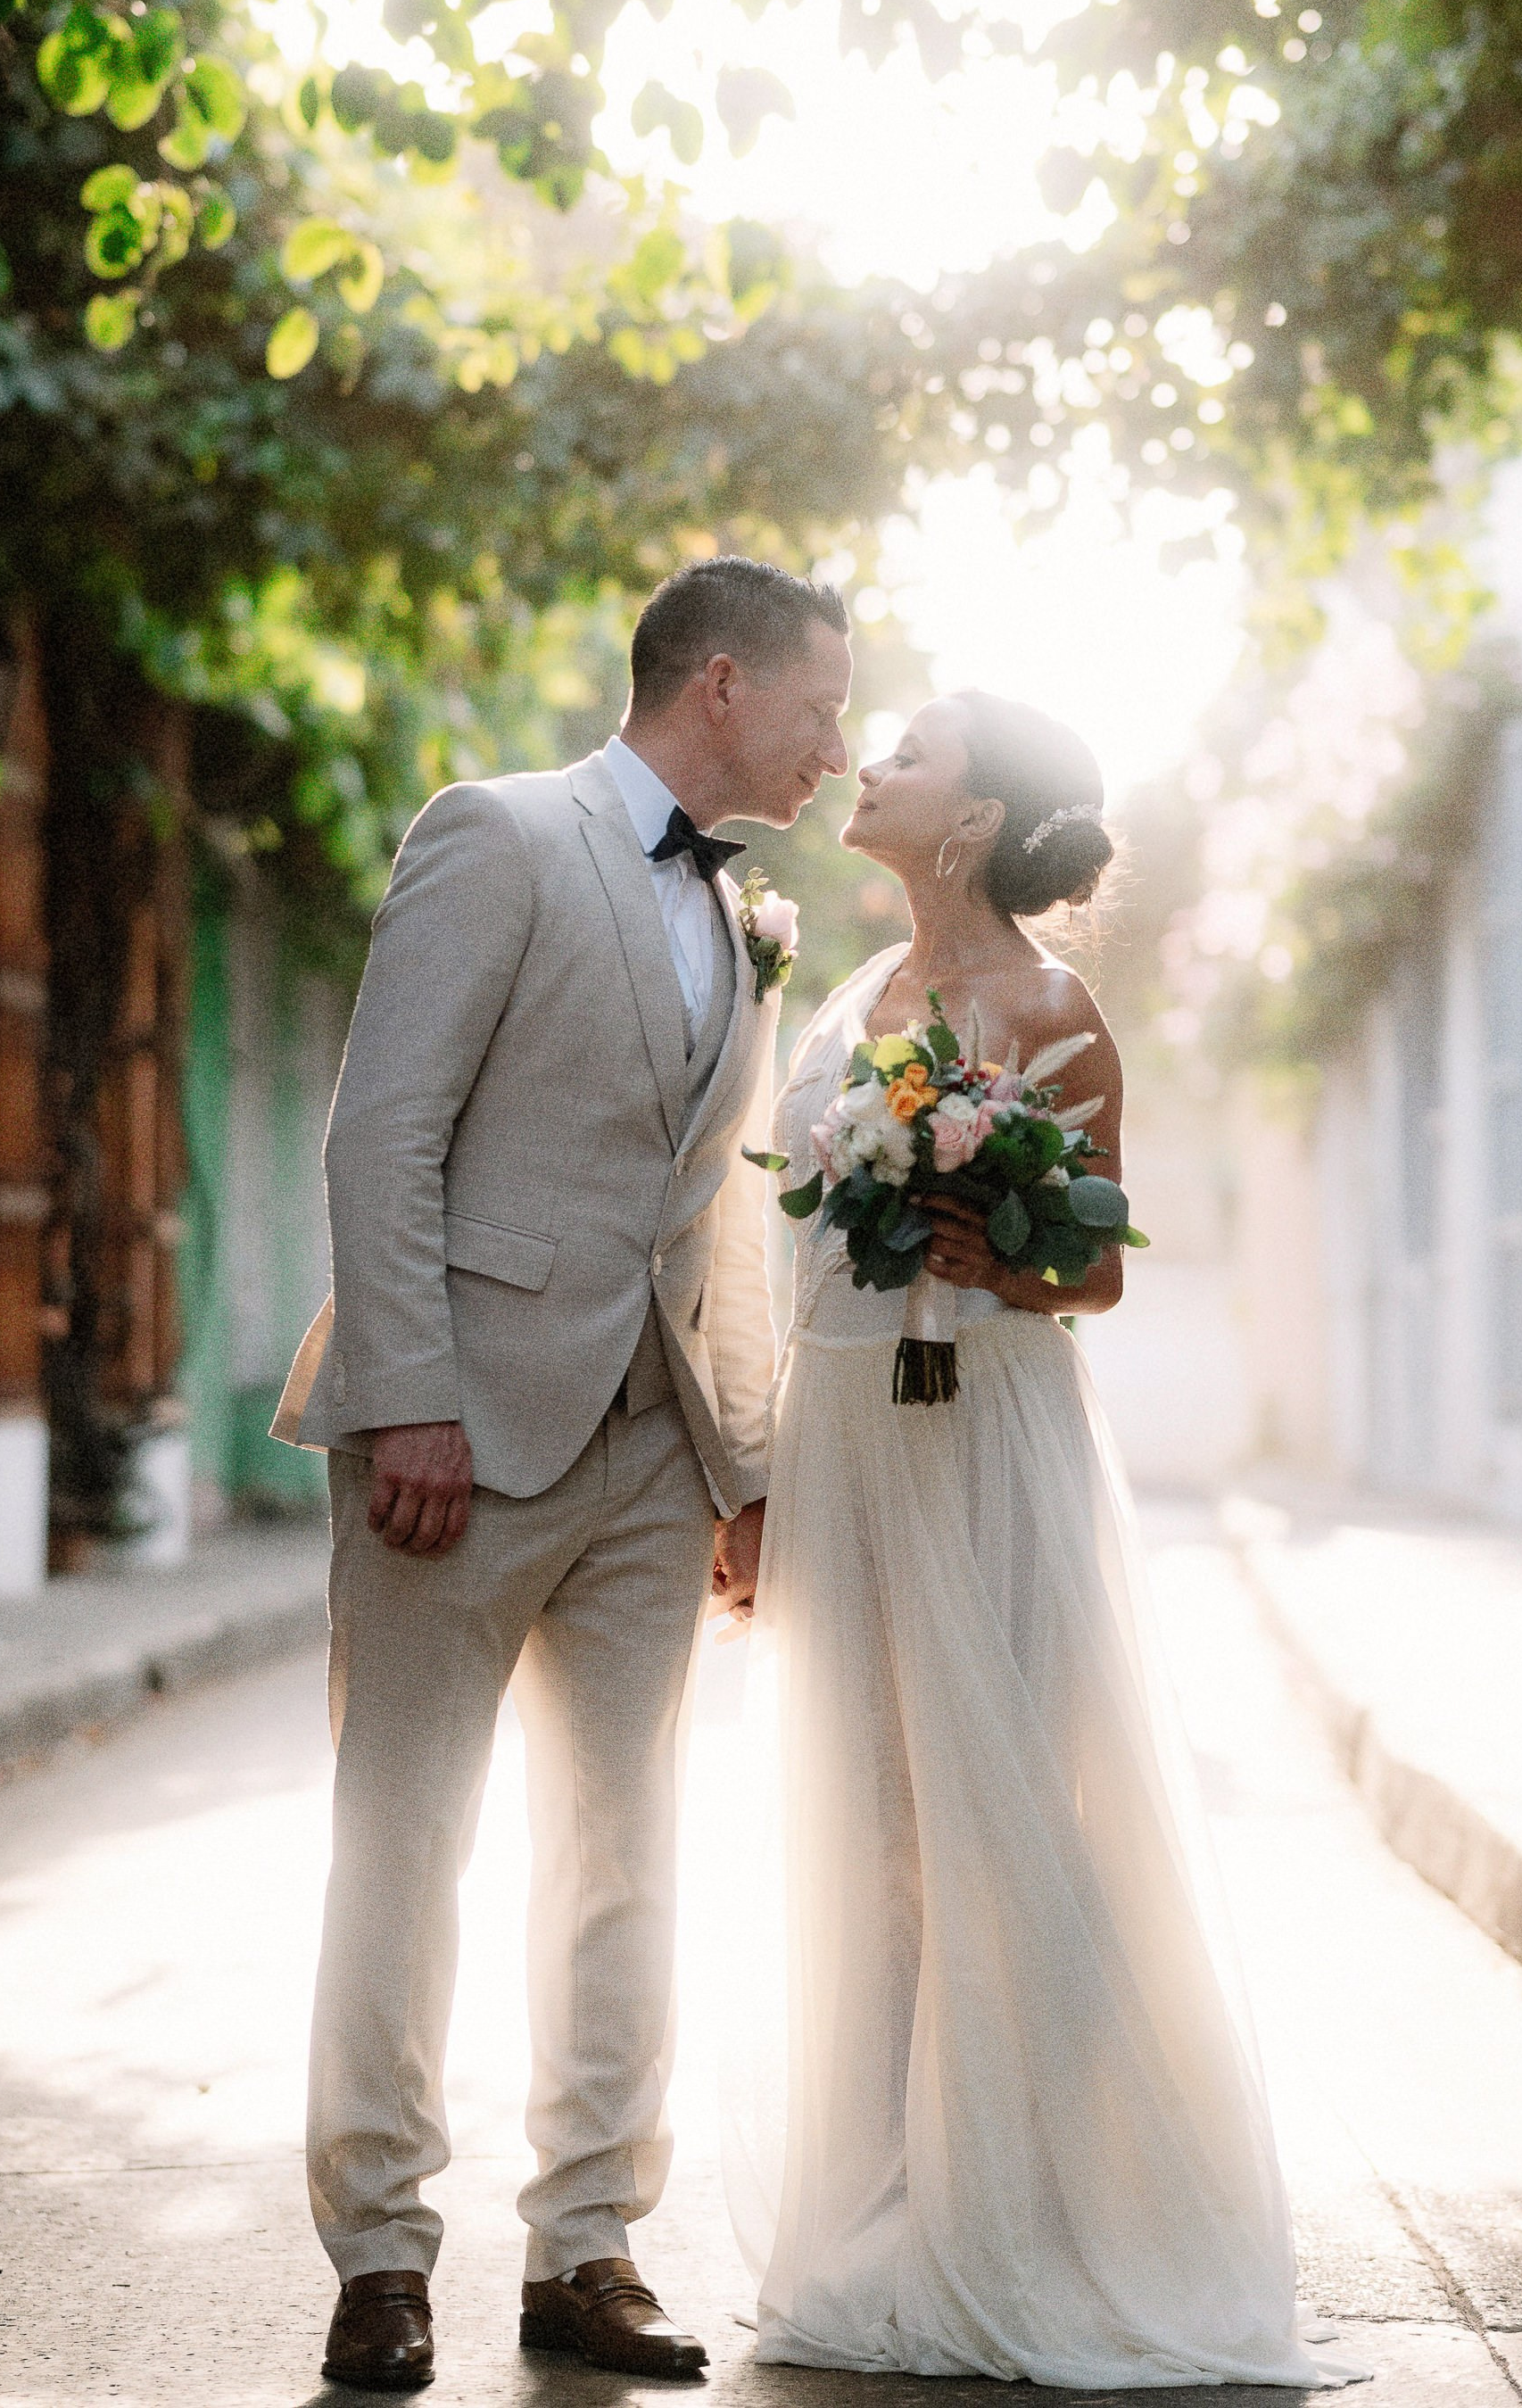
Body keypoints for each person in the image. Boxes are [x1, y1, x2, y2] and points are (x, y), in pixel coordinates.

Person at [719, 690, 1365, 2389]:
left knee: (1005, 1808)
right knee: (865, 1820)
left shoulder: (1051, 1007)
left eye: (910, 752)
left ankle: (1044, 2215)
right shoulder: (848, 995)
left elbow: (1097, 1271)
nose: (872, 765)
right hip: (842, 1431)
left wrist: (991, 1249)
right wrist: (758, 1482)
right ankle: (884, 2206)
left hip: (986, 1432)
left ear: (975, 819)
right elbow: (787, 1258)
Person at [271, 555, 850, 2393]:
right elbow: (384, 1132)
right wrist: (410, 1398)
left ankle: (587, 2244)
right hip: (453, 1443)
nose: (838, 748)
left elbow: (724, 1217)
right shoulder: (497, 834)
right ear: (721, 683)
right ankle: (379, 2252)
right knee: (404, 1847)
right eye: (821, 707)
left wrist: (740, 1467)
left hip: (651, 1459)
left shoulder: (746, 916)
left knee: (626, 1856)